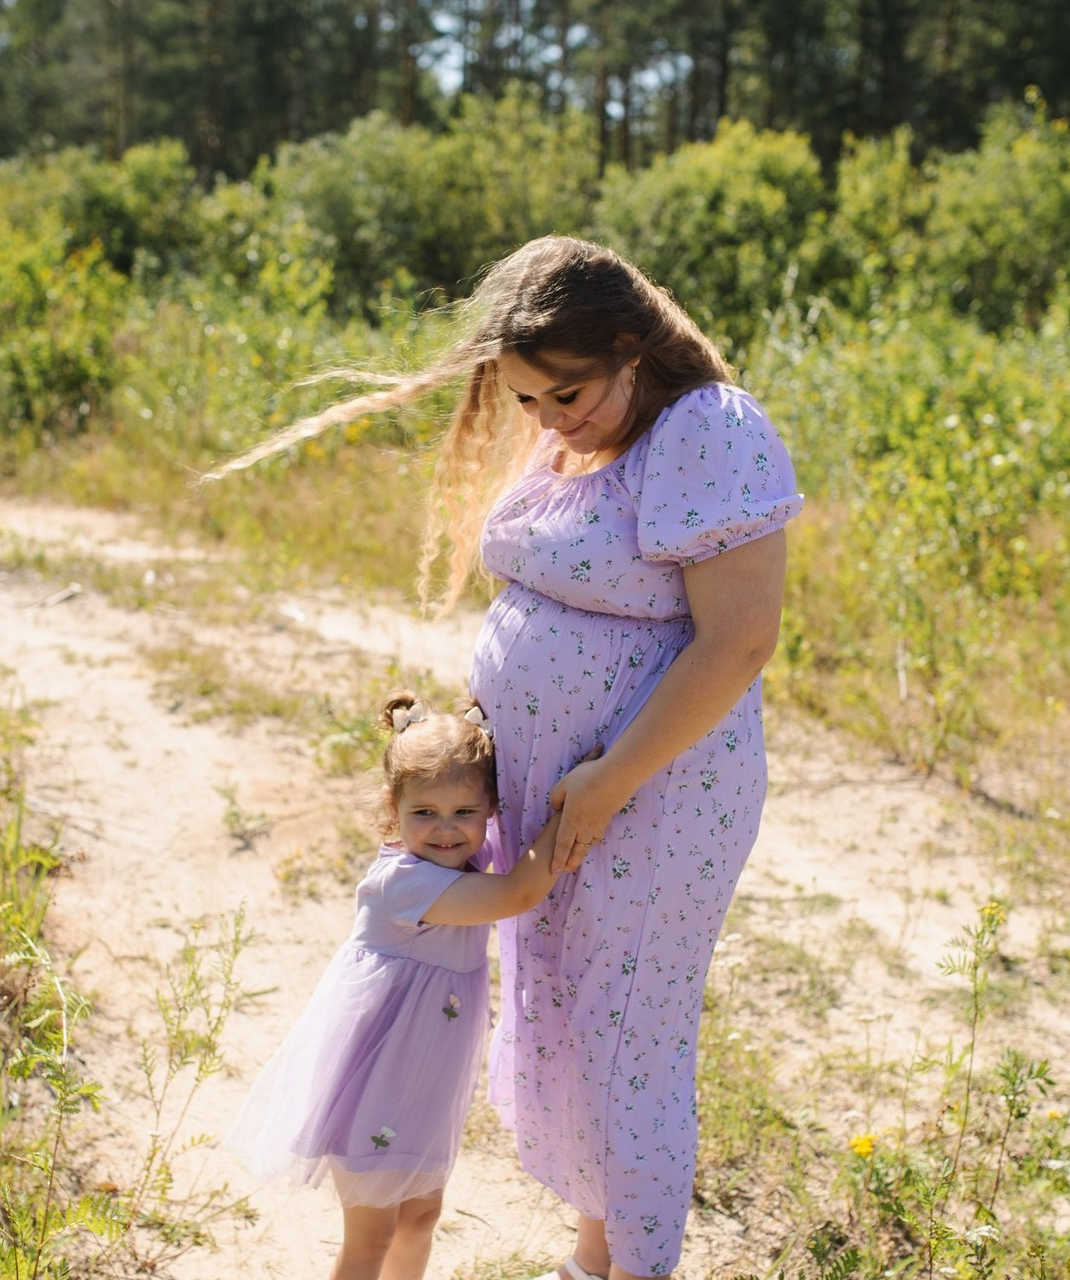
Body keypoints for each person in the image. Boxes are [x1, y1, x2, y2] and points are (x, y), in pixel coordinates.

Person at [211, 236, 803, 1280]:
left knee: (628, 1030)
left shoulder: (704, 429)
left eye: (563, 392)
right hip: (556, 791)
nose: (546, 418)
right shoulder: (577, 434)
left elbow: (737, 640)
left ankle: (634, 1267)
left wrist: (608, 775)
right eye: (526, 399)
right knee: (568, 1017)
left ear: (631, 348)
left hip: (651, 793)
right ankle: (590, 1250)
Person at [225, 692, 567, 1280]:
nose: (445, 830)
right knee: (372, 1235)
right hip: (377, 1084)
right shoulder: (404, 883)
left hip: (424, 1083)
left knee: (421, 1218)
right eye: (424, 813)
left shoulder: (466, 856)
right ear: (393, 809)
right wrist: (575, 809)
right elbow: (519, 893)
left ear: (489, 809)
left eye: (464, 812)